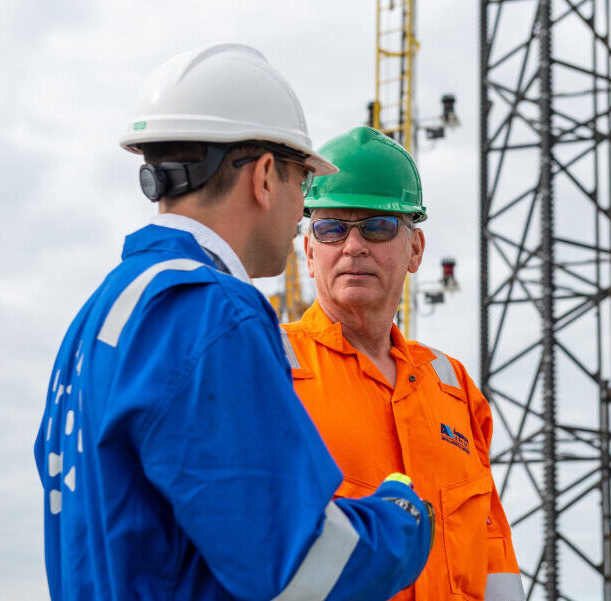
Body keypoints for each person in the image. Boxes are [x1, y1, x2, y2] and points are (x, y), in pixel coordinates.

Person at [34, 44, 433, 601]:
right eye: (302, 184)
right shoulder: (213, 312)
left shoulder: (101, 315)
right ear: (265, 177)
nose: (302, 216)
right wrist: (404, 518)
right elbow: (297, 565)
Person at [281, 126, 525, 601]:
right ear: (310, 253)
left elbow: (494, 558)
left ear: (415, 250)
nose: (353, 246)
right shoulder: (269, 370)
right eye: (332, 228)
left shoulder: (453, 389)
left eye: (378, 226)